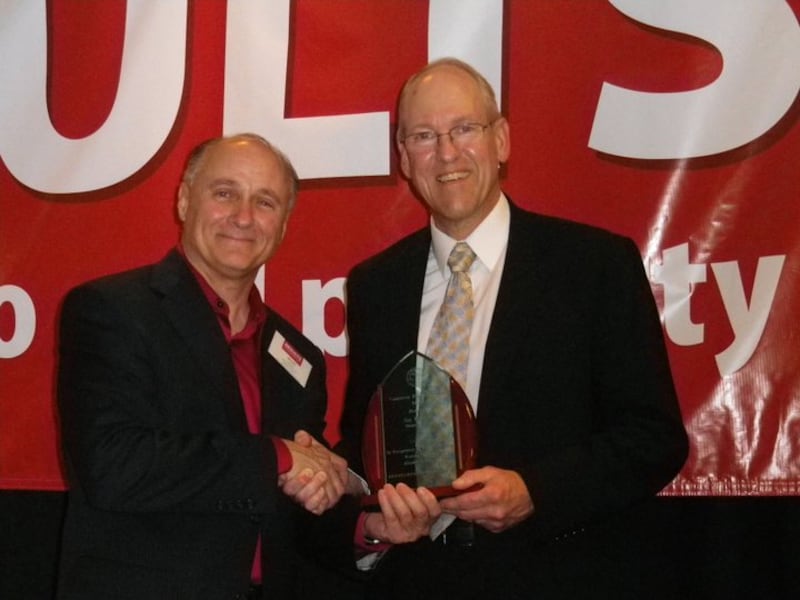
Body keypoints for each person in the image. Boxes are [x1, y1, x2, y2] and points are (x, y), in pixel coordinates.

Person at [338, 58, 690, 598]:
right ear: (405, 158)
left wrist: (535, 491)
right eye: (425, 136)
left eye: (464, 129)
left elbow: (654, 438)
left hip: (557, 575)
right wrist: (366, 518)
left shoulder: (594, 266)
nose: (447, 153)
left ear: (501, 140)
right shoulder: (374, 285)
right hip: (417, 581)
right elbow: (367, 445)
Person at [56, 133, 358, 600]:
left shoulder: (299, 356)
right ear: (183, 200)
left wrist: (358, 521)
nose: (242, 217)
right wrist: (277, 455)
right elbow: (113, 465)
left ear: (283, 226)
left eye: (265, 202)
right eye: (225, 193)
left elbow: (289, 504)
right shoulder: (111, 310)